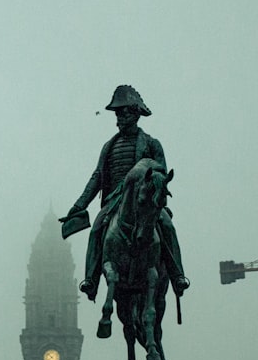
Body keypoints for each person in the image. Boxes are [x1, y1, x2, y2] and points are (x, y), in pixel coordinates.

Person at [62, 84, 189, 301]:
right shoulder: (109, 146)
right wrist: (79, 206)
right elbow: (97, 178)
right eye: (117, 114)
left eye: (123, 113)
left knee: (167, 226)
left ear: (135, 114)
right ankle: (90, 280)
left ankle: (178, 275)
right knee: (96, 231)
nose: (118, 118)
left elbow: (161, 173)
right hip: (114, 203)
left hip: (146, 202)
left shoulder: (151, 143)